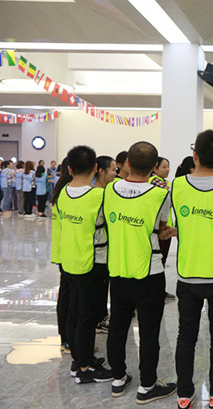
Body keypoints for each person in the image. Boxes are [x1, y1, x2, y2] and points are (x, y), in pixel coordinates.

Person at [170, 130, 213, 409]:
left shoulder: (176, 186)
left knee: (185, 336)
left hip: (188, 273)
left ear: (195, 155)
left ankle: (184, 394)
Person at [104, 141, 177, 404]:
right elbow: (162, 226)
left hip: (118, 269)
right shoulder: (160, 194)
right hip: (149, 271)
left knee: (118, 326)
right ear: (154, 167)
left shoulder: (110, 190)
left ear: (127, 163)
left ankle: (118, 379)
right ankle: (147, 386)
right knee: (149, 331)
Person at [55, 145, 113, 384]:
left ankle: (78, 360)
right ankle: (85, 368)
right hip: (92, 263)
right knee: (87, 317)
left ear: (69, 169)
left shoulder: (62, 193)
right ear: (95, 168)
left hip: (69, 260)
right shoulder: (99, 196)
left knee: (74, 312)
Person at [93, 156, 117, 334]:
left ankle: (101, 316)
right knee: (99, 288)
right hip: (99, 249)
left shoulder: (106, 192)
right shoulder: (99, 194)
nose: (115, 173)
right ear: (101, 171)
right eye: (113, 170)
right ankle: (99, 319)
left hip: (104, 249)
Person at [52, 158, 72, 353]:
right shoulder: (68, 192)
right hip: (68, 252)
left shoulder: (61, 190)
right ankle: (67, 339)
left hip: (63, 251)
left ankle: (66, 338)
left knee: (66, 295)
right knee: (68, 297)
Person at [149, 157, 177, 302]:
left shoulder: (165, 183)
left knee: (162, 260)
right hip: (159, 228)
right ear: (155, 168)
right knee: (158, 261)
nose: (167, 169)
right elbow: (169, 201)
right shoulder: (155, 182)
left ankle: (160, 290)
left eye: (168, 166)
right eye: (164, 167)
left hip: (166, 228)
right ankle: (156, 292)